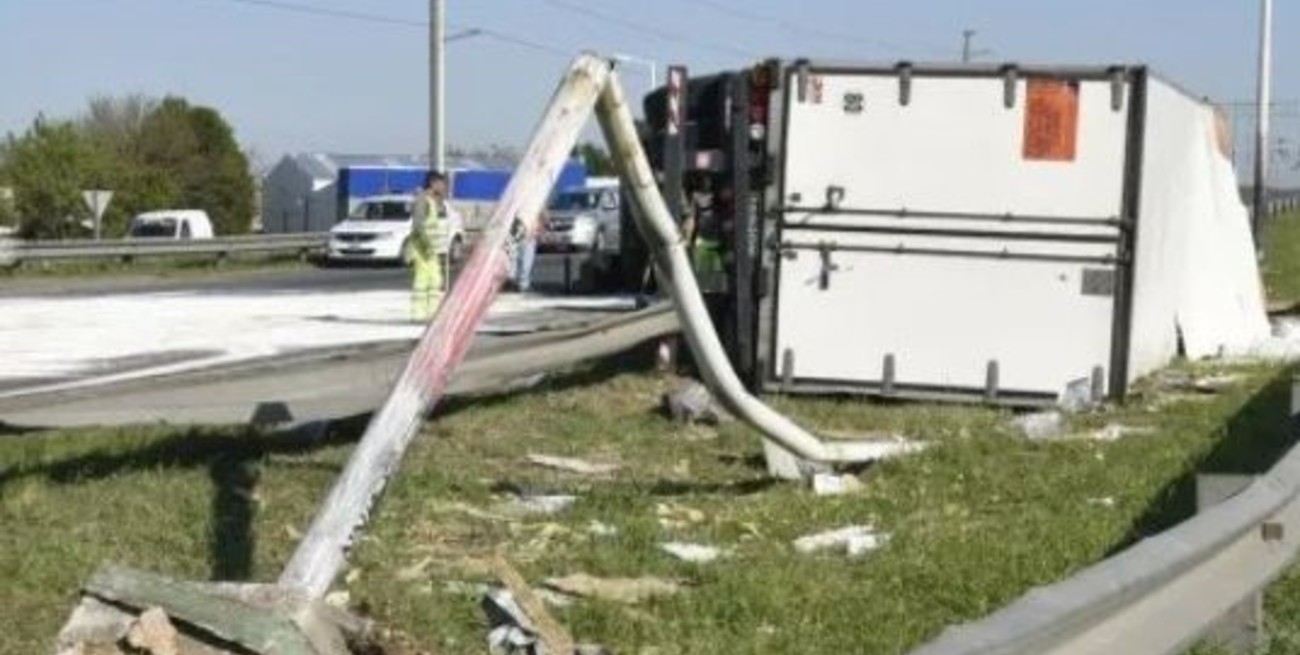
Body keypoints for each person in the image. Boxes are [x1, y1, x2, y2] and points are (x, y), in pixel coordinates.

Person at [408, 171, 451, 321]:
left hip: (431, 250)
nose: (444, 186)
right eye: (441, 183)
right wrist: (426, 246)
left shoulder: (434, 201)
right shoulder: (423, 201)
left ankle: (432, 313)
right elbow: (418, 226)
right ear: (433, 183)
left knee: (435, 281)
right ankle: (418, 314)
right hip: (422, 249)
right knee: (422, 281)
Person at [510, 211, 539, 293]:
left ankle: (518, 283)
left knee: (518, 260)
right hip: (526, 235)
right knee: (525, 261)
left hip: (520, 235)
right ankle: (522, 285)